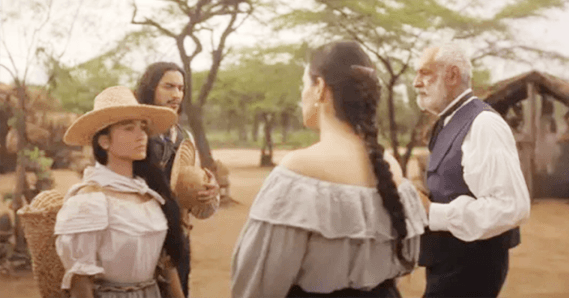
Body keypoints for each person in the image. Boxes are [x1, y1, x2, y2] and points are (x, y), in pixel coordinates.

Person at [231, 41, 428, 298]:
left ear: (320, 88)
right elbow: (403, 264)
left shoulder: (299, 170)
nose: (300, 95)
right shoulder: (390, 167)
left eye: (304, 85)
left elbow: (256, 288)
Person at [412, 43, 531, 298]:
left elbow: (510, 206)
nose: (416, 82)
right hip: (450, 265)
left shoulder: (484, 124)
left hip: (470, 271)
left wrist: (434, 212)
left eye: (424, 73)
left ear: (452, 75)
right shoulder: (449, 121)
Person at [55, 86, 185, 298]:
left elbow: (166, 266)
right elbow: (81, 283)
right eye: (128, 128)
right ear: (104, 141)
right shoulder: (89, 201)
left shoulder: (149, 194)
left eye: (142, 127)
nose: (141, 135)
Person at [136, 62, 220, 297]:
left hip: (177, 236)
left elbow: (190, 181)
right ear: (151, 88)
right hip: (137, 236)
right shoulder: (133, 133)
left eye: (181, 89)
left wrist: (207, 189)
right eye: (169, 87)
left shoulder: (184, 137)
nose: (176, 95)